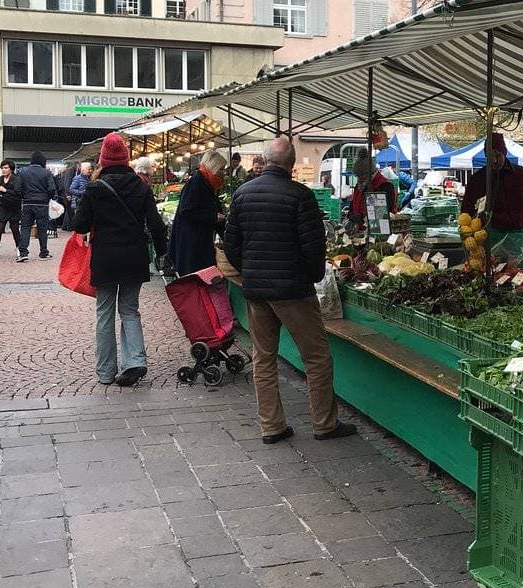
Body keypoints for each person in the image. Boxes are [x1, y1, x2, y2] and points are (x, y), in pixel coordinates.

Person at [223, 137, 356, 442]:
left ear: (265, 160)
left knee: (264, 357)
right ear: (291, 164)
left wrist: (250, 271)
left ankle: (271, 425)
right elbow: (313, 248)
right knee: (317, 357)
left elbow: (231, 245)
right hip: (294, 289)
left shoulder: (242, 194)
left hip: (257, 291)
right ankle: (324, 423)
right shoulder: (300, 195)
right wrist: (311, 276)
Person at [73, 133, 167, 387]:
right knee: (129, 310)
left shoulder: (94, 188)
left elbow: (79, 224)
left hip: (105, 258)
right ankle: (135, 361)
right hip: (134, 258)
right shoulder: (141, 186)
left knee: (105, 313)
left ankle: (105, 372)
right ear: (126, 158)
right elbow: (157, 226)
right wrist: (162, 251)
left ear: (103, 159)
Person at [461, 134, 523, 258]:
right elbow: (466, 211)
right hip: (488, 239)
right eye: (490, 156)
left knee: (514, 275)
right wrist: (467, 237)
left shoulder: (521, 175)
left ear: (504, 153)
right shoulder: (478, 179)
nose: (494, 160)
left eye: (497, 155)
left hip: (516, 239)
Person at [169, 150, 227, 276]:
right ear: (213, 166)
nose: (223, 172)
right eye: (221, 169)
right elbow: (187, 210)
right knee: (196, 279)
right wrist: (213, 217)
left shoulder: (208, 182)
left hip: (199, 241)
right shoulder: (197, 181)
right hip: (192, 243)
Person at [16, 151, 60, 263]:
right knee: (42, 229)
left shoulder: (22, 172)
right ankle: (43, 252)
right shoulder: (46, 173)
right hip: (42, 204)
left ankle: (23, 253)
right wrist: (46, 198)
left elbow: (17, 189)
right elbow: (51, 189)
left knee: (25, 227)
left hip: (27, 203)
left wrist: (24, 197)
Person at [348, 153, 396, 232]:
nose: (359, 179)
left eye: (361, 176)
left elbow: (385, 212)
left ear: (370, 173)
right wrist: (351, 215)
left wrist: (362, 216)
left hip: (380, 231)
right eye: (357, 176)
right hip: (359, 231)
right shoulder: (359, 185)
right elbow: (352, 205)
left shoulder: (385, 186)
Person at [0, 159, 22, 260]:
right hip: (1, 207)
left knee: (15, 229)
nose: (4, 170)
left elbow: (18, 192)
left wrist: (5, 190)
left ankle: (19, 248)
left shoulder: (17, 179)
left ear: (11, 169)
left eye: (6, 168)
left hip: (14, 208)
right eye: (2, 168)